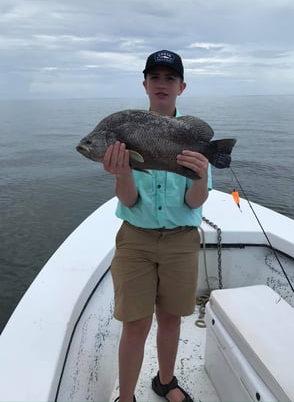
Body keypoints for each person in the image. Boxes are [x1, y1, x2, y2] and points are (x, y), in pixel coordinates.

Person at [103, 50, 213, 402]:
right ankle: (126, 398)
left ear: (181, 86)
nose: (161, 84)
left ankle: (165, 382)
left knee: (170, 318)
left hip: (181, 240)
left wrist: (200, 175)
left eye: (169, 78)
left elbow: (195, 202)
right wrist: (122, 173)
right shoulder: (128, 132)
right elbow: (129, 200)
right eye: (155, 77)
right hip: (135, 240)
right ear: (145, 85)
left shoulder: (193, 138)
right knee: (135, 322)